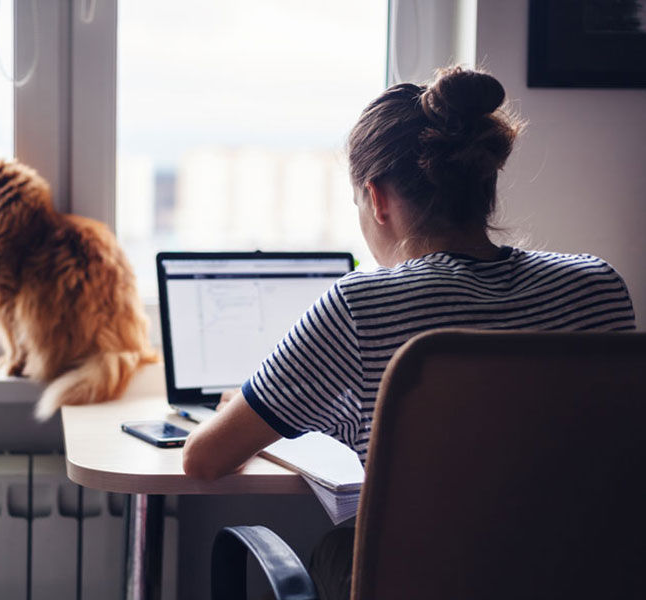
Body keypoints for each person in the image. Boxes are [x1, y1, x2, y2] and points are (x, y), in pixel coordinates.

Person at [181, 66, 636, 598]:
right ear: (485, 181)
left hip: (433, 583)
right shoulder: (597, 285)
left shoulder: (360, 304)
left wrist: (249, 407)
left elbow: (204, 459)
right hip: (585, 575)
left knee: (336, 549)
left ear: (376, 198)